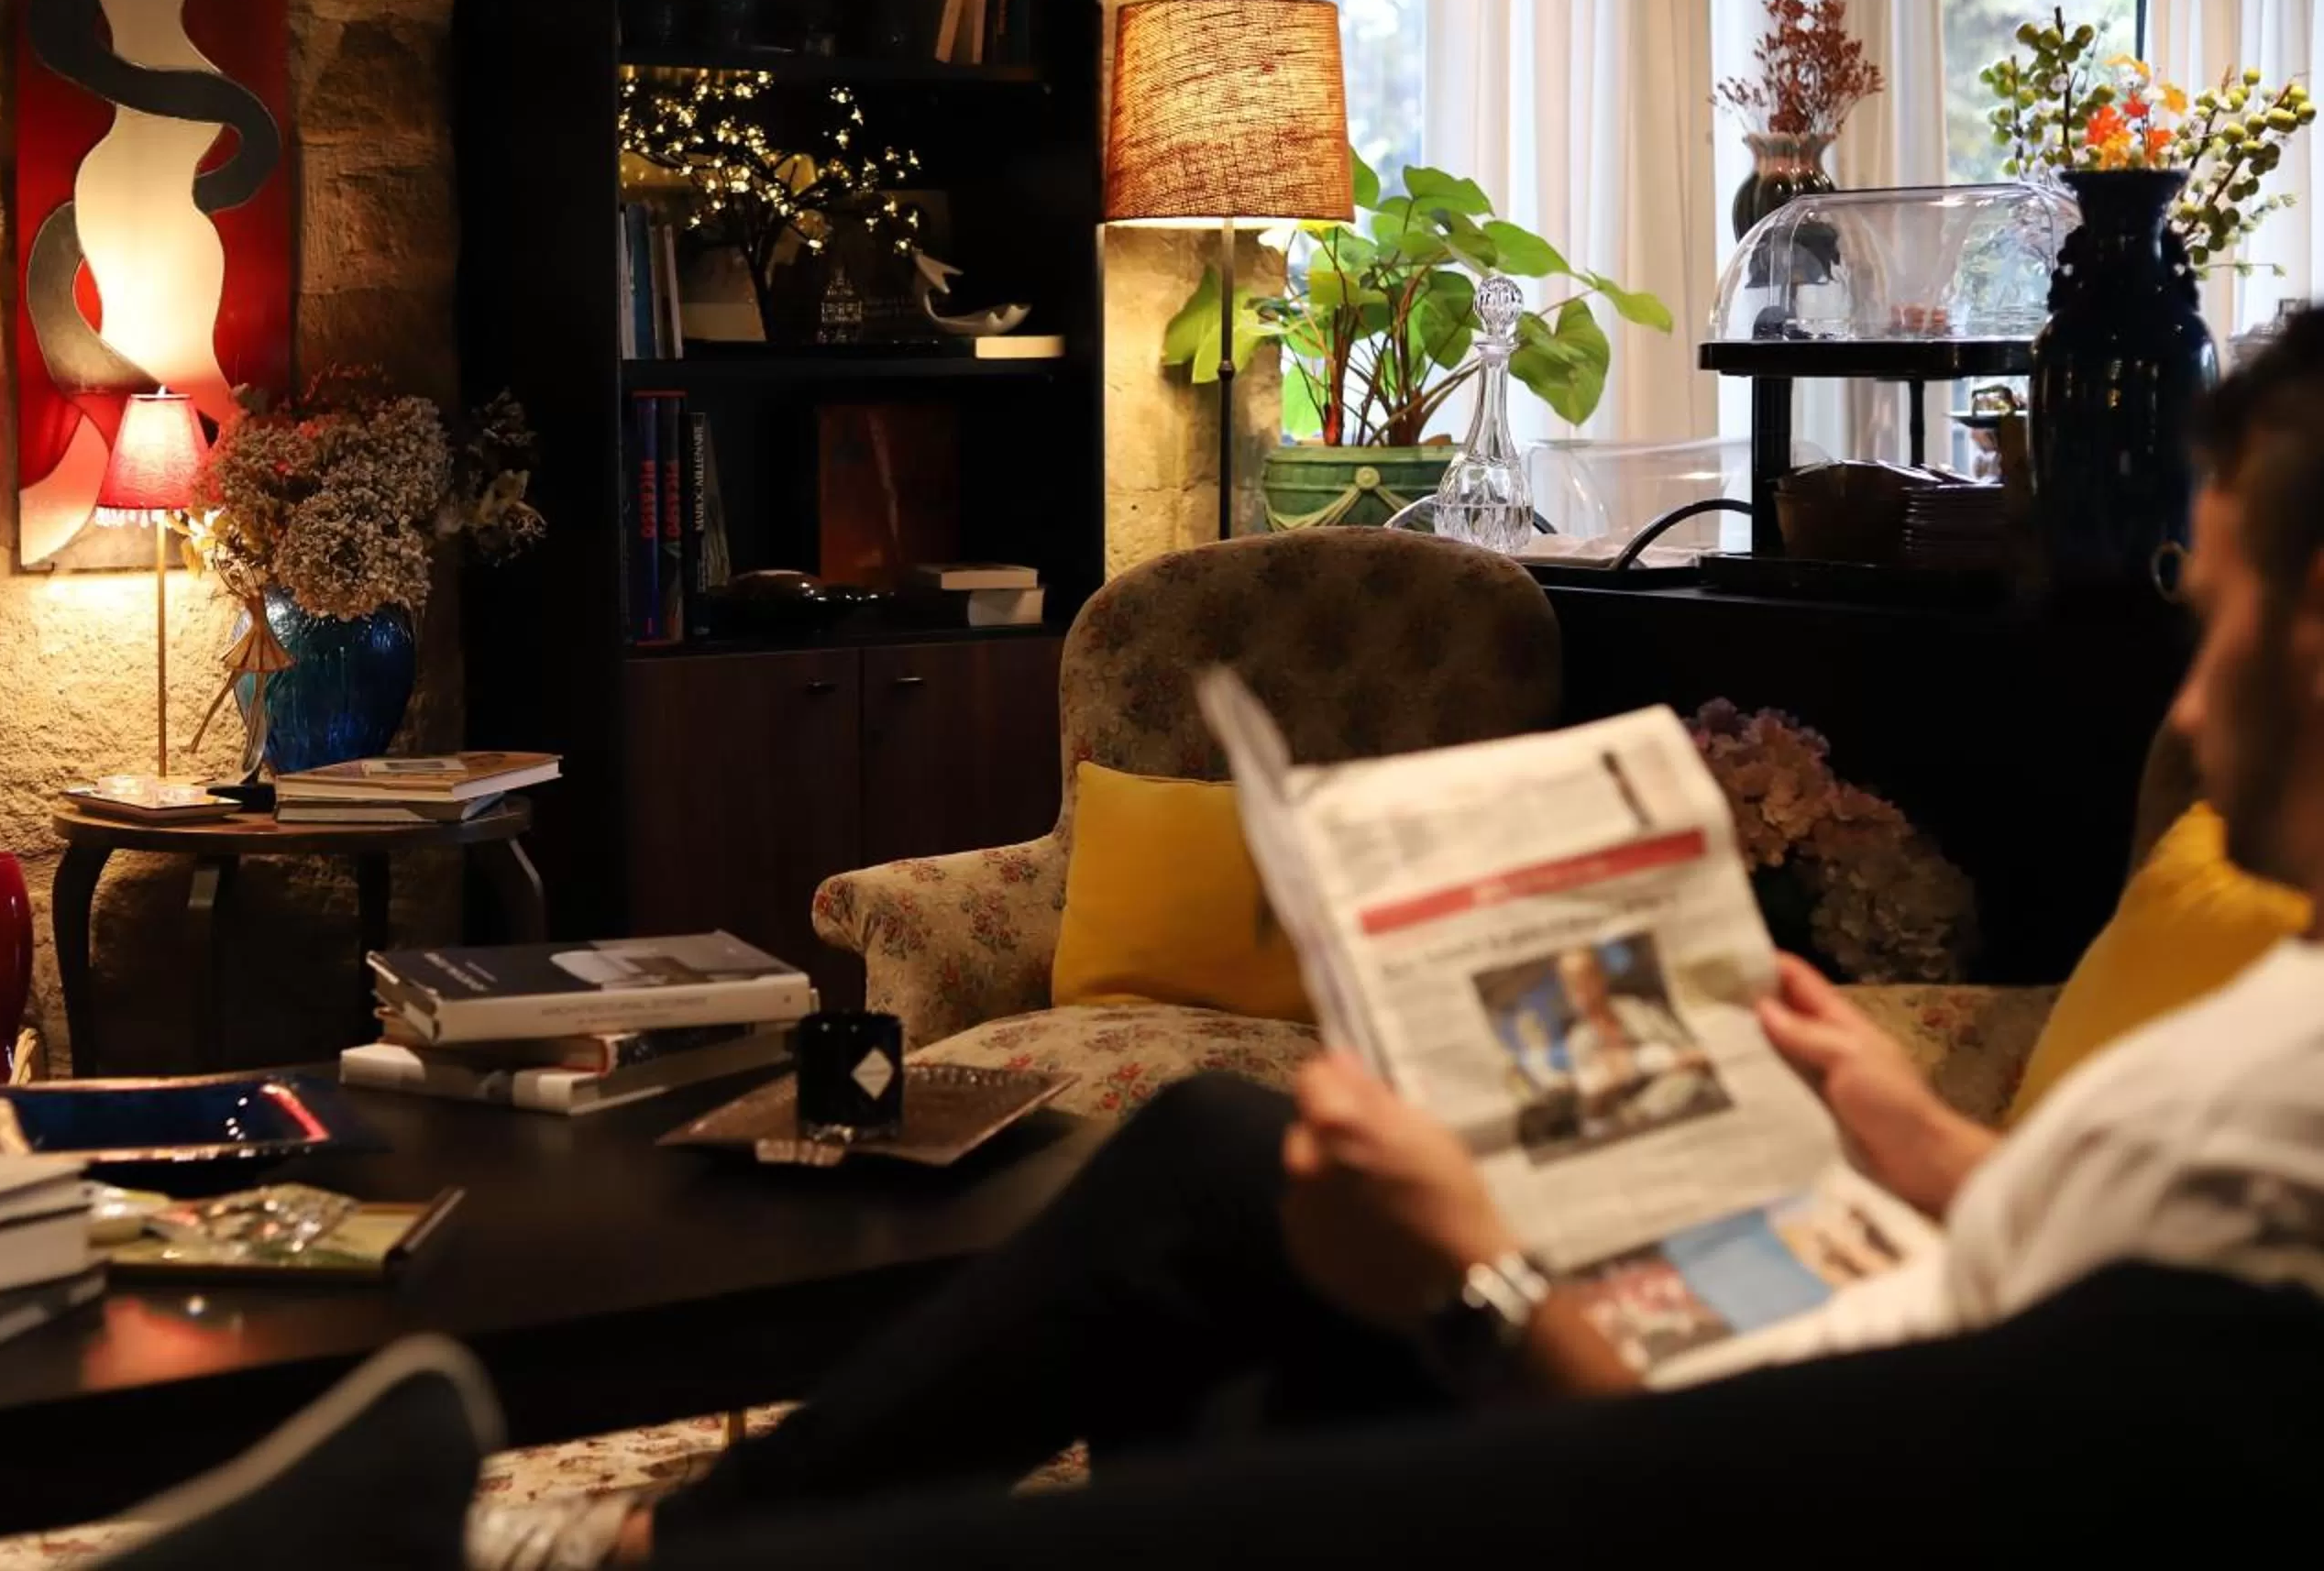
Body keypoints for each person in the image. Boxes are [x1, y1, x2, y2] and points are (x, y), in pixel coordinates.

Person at [472, 312, 2324, 1569]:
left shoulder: (2276, 1114)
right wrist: (1904, 1125)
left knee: (1243, 1194)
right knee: (1228, 1166)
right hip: (1818, 1321)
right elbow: (2069, 1260)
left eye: (2220, 607)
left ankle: (673, 1547)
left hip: (1719, 1426)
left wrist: (1478, 1275)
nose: (2195, 673)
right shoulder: (2278, 1045)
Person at [1550, 942, 1718, 1138]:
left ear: (1601, 976)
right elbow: (1594, 1116)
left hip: (1698, 1105)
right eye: (1572, 982)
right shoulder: (1579, 1042)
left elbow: (1706, 1053)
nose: (1582, 990)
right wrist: (1600, 1091)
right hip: (1644, 1127)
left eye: (1586, 977)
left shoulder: (1640, 1010)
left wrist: (1640, 1062)